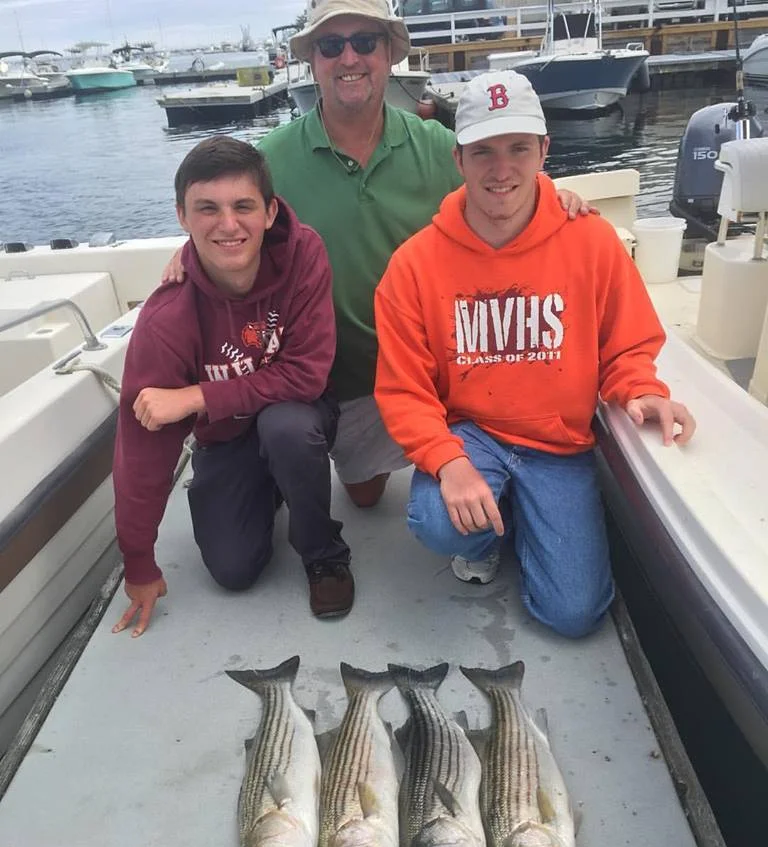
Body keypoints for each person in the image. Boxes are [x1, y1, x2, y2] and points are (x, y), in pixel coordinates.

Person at [163, 0, 591, 510]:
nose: (349, 57)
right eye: (331, 45)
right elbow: (229, 218)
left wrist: (554, 191)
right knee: (364, 496)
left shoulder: (436, 146)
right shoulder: (272, 158)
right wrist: (186, 254)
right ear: (313, 61)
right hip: (327, 375)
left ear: (389, 55)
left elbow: (503, 180)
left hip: (428, 370)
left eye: (365, 42)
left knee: (442, 497)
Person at [373, 71, 696, 639]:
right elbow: (404, 390)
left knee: (571, 616)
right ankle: (488, 533)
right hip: (472, 431)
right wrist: (448, 463)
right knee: (435, 521)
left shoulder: (591, 240)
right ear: (459, 159)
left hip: (559, 446)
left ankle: (525, 515)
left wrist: (641, 389)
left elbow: (627, 342)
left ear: (545, 150)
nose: (502, 170)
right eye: (484, 152)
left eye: (519, 148)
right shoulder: (413, 265)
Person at [112, 136, 353, 638]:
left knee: (286, 428)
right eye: (207, 209)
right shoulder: (166, 319)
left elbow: (308, 373)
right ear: (182, 216)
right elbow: (141, 449)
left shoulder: (304, 253)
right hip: (224, 436)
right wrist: (138, 560)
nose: (227, 224)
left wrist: (196, 397)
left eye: (243, 206)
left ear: (269, 212)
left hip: (298, 414)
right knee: (234, 571)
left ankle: (323, 554)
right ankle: (265, 487)